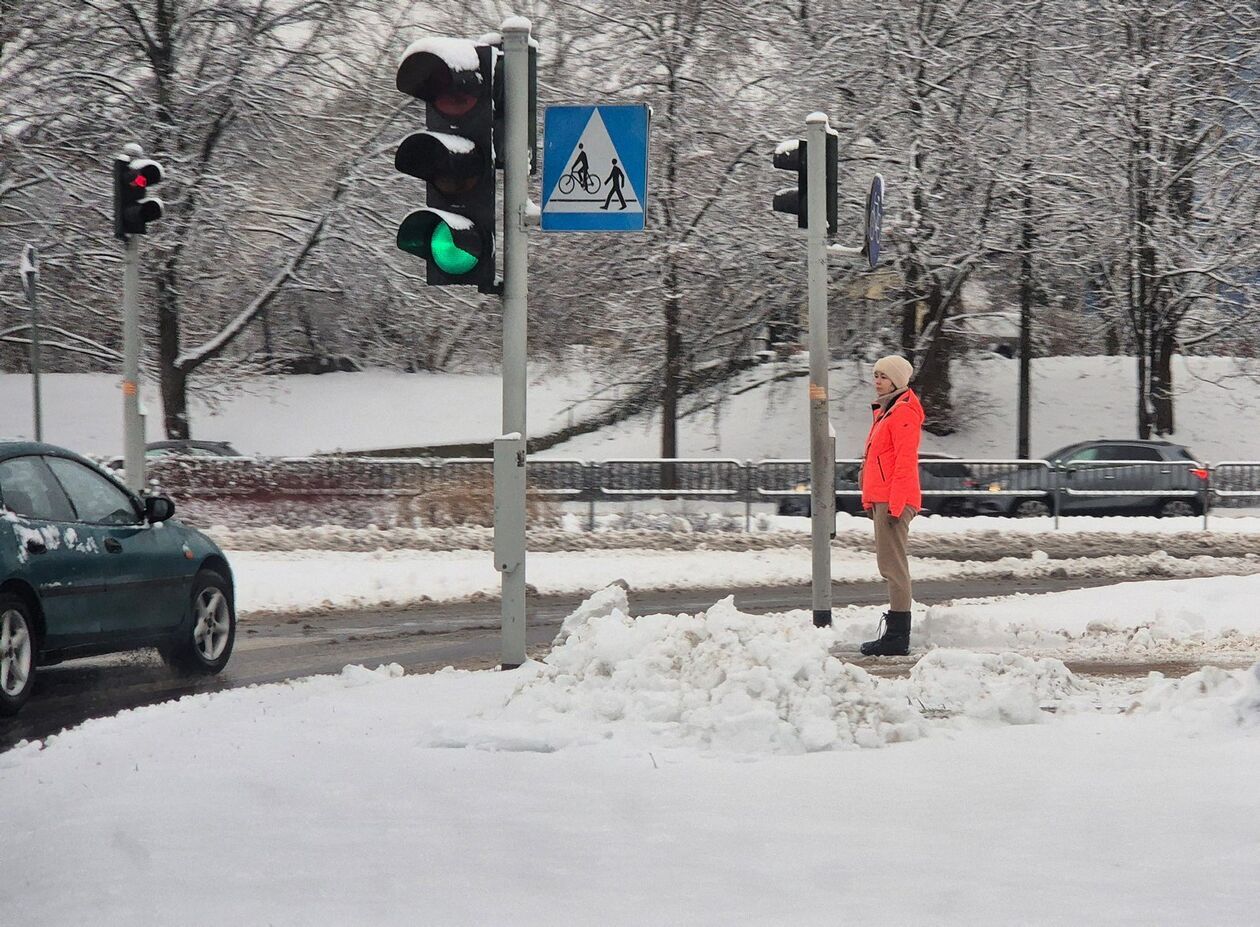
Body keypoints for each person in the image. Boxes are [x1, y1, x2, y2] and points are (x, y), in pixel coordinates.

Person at [858, 355, 923, 656]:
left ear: (898, 380)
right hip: (884, 498)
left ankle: (898, 637)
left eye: (883, 375)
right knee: (889, 565)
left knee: (893, 567)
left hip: (894, 500)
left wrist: (895, 506)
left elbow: (904, 463)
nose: (877, 380)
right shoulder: (888, 411)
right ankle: (897, 634)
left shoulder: (903, 413)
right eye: (876, 374)